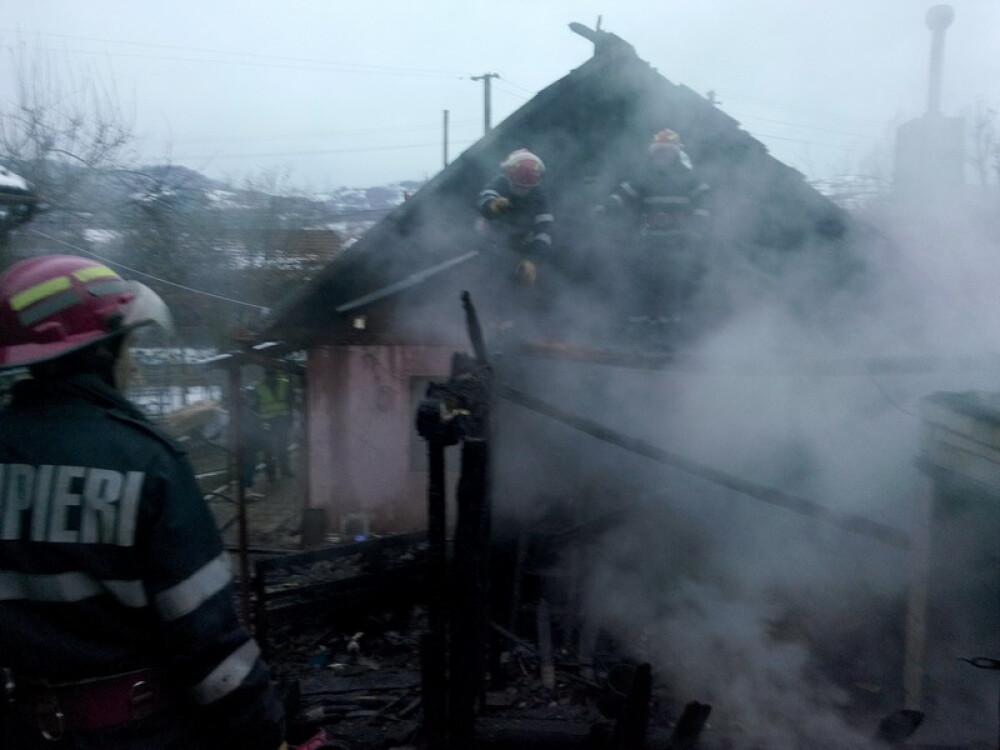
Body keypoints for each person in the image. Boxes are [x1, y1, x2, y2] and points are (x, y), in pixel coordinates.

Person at [0, 254, 286, 749]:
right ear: (102, 351)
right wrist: (262, 731)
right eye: (128, 345)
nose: (132, 360)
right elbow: (208, 643)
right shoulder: (144, 462)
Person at [597, 128, 711, 331]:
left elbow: (703, 202)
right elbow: (623, 195)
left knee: (671, 283)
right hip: (648, 238)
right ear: (653, 153)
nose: (663, 155)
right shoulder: (644, 177)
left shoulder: (689, 178)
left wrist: (696, 230)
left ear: (675, 153)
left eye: (667, 151)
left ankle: (667, 328)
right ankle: (639, 327)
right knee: (644, 280)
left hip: (678, 240)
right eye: (659, 152)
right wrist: (604, 208)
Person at [476, 149, 555, 329]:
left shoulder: (540, 196)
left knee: (529, 281)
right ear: (509, 178)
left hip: (522, 244)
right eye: (517, 186)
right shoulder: (499, 183)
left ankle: (524, 323)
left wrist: (533, 260)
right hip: (492, 242)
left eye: (525, 187)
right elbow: (486, 197)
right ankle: (491, 321)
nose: (521, 190)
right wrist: (492, 206)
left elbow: (545, 232)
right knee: (494, 279)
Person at [253, 369, 295, 482]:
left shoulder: (283, 384)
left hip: (276, 421)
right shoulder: (260, 387)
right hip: (270, 421)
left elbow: (290, 401)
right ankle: (275, 473)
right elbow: (255, 406)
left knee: (279, 447)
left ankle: (279, 472)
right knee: (271, 448)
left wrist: (290, 417)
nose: (272, 376)